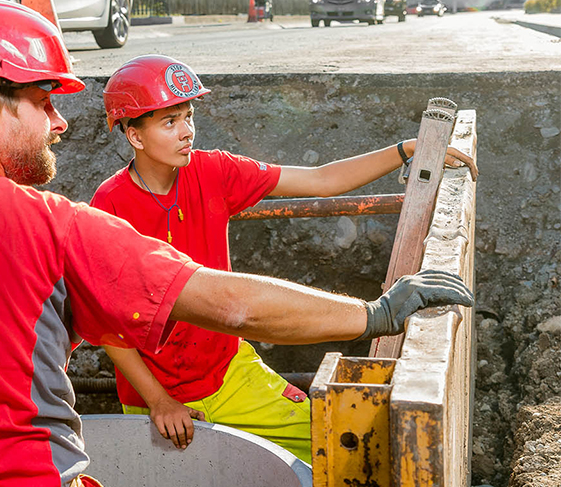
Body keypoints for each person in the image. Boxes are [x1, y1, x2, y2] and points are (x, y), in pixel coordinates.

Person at [0, 0, 474, 487]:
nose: (62, 121)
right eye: (46, 101)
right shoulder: (58, 227)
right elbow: (230, 302)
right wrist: (373, 311)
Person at [91, 55, 479, 462]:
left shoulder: (214, 171)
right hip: (155, 396)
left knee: (340, 453)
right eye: (170, 122)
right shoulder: (110, 204)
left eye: (188, 116)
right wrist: (158, 401)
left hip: (229, 372)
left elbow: (322, 179)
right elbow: (105, 321)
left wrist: (407, 150)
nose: (187, 131)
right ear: (134, 136)